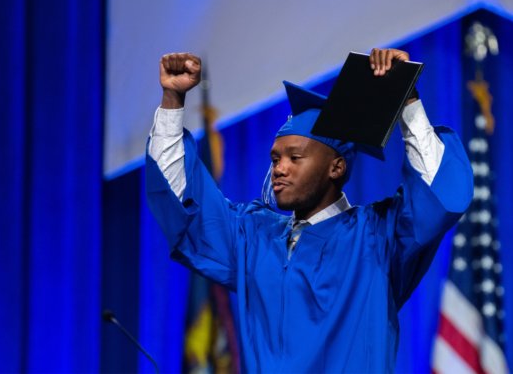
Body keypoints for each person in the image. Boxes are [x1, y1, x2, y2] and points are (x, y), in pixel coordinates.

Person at [146, 48, 473, 372]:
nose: (279, 169)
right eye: (275, 159)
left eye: (294, 158)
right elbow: (185, 207)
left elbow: (438, 196)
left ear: (336, 167)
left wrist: (407, 98)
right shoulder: (254, 237)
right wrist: (172, 102)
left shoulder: (377, 238)